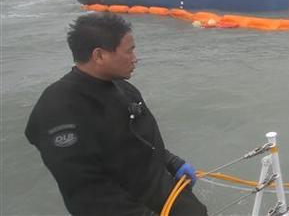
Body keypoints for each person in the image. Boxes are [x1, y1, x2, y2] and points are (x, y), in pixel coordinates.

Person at [25, 12, 208, 216]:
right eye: (129, 51)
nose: (135, 59)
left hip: (167, 198)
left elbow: (142, 143)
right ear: (99, 55)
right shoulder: (58, 110)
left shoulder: (123, 89)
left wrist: (173, 163)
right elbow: (87, 193)